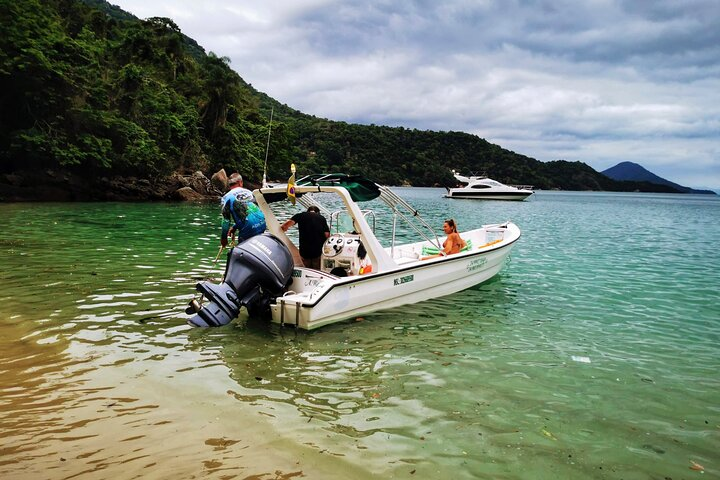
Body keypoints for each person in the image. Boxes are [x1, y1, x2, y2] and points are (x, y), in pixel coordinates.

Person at [219, 173, 266, 247]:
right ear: (240, 182)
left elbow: (226, 221)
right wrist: (235, 227)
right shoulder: (250, 192)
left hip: (248, 228)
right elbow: (252, 213)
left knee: (243, 250)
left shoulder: (226, 198)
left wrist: (223, 238)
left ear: (229, 184)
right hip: (262, 223)